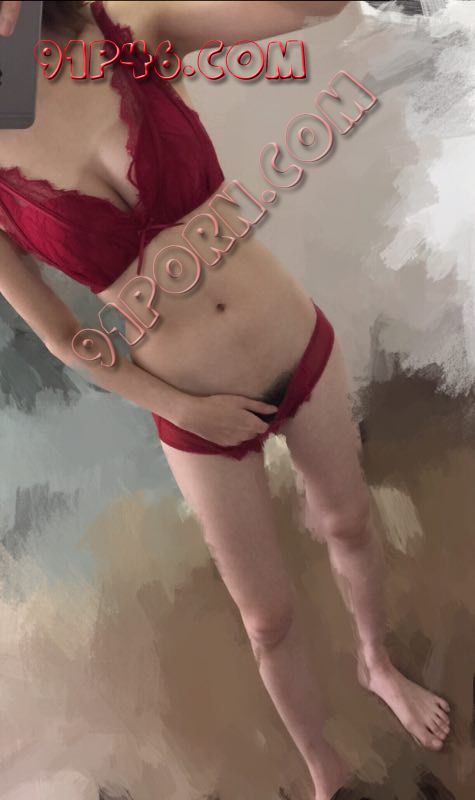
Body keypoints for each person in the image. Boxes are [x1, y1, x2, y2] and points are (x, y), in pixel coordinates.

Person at [0, 2, 451, 798]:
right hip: (191, 405)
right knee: (266, 620)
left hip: (293, 340)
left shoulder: (125, 28)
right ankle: (322, 766)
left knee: (347, 522)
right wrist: (183, 409)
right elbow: (64, 338)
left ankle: (376, 662)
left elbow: (312, 9)